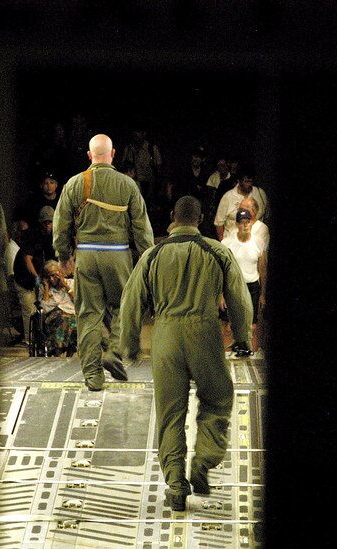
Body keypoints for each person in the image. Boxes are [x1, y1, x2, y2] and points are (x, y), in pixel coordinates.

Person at [119, 196, 252, 512]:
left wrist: (129, 345)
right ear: (203, 217)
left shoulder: (153, 254)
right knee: (218, 399)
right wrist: (242, 337)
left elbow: (130, 302)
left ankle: (177, 488)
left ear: (172, 218)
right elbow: (240, 299)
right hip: (204, 334)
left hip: (165, 337)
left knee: (170, 416)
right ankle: (203, 461)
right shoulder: (217, 251)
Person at [52, 133, 154, 390]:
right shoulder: (128, 185)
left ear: (89, 156)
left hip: (86, 256)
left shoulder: (75, 183)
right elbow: (141, 227)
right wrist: (147, 256)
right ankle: (115, 352)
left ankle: (93, 377)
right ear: (113, 154)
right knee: (123, 307)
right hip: (118, 255)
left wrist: (64, 256)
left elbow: (61, 224)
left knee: (88, 316)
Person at [222, 208, 268, 350]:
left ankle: (251, 354)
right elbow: (222, 271)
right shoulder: (227, 243)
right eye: (242, 223)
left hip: (252, 286)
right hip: (233, 287)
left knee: (252, 326)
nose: (245, 225)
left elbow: (263, 269)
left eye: (248, 222)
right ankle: (229, 357)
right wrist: (221, 295)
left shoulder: (259, 242)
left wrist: (262, 294)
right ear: (236, 224)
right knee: (229, 326)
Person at [13, 206, 57, 343]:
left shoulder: (53, 236)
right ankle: (29, 340)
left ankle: (43, 339)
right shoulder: (31, 235)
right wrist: (37, 278)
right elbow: (27, 260)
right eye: (44, 222)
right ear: (40, 222)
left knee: (44, 309)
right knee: (30, 310)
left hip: (40, 279)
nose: (47, 225)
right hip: (24, 279)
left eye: (50, 222)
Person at [214, 168, 269, 240]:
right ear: (239, 181)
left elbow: (266, 215)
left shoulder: (260, 193)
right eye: (246, 181)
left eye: (251, 181)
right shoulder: (228, 197)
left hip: (256, 242)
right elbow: (219, 223)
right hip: (232, 242)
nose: (249, 184)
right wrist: (223, 243)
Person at [37, 260, 78, 356]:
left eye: (54, 275)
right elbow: (45, 309)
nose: (51, 279)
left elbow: (78, 302)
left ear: (61, 273)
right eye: (49, 276)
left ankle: (67, 350)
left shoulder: (71, 283)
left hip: (72, 314)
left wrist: (65, 286)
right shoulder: (44, 288)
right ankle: (58, 350)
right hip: (54, 316)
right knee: (63, 321)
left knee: (72, 322)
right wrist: (47, 289)